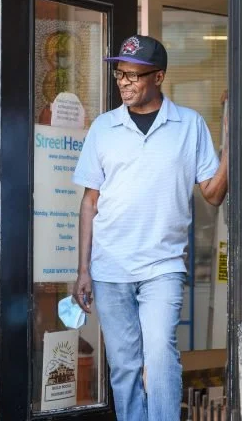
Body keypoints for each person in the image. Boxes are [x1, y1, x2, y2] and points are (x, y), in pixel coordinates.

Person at [71, 35, 229, 420]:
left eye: (134, 75)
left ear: (158, 77)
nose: (124, 82)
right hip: (110, 269)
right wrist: (83, 270)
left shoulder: (188, 125)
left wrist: (231, 139)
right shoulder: (104, 128)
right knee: (125, 366)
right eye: (119, 74)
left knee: (159, 356)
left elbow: (212, 193)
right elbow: (90, 202)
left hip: (163, 266)